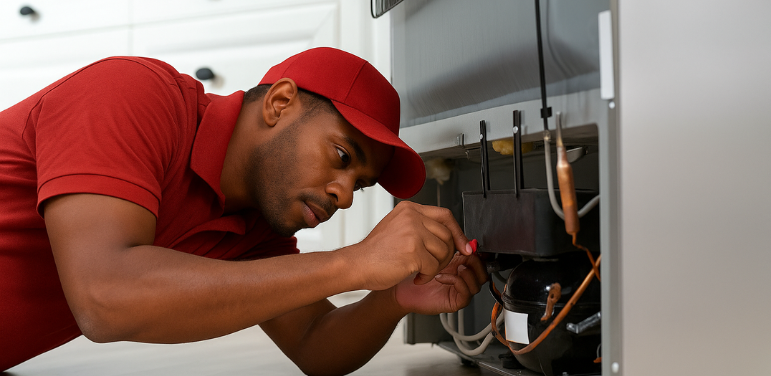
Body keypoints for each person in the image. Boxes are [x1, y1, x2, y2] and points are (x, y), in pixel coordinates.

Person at [0, 47, 486, 374]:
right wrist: (354, 262)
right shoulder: (131, 93)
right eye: (342, 156)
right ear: (280, 102)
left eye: (360, 185)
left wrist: (391, 299)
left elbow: (316, 344)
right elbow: (104, 297)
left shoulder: (253, 231)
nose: (344, 194)